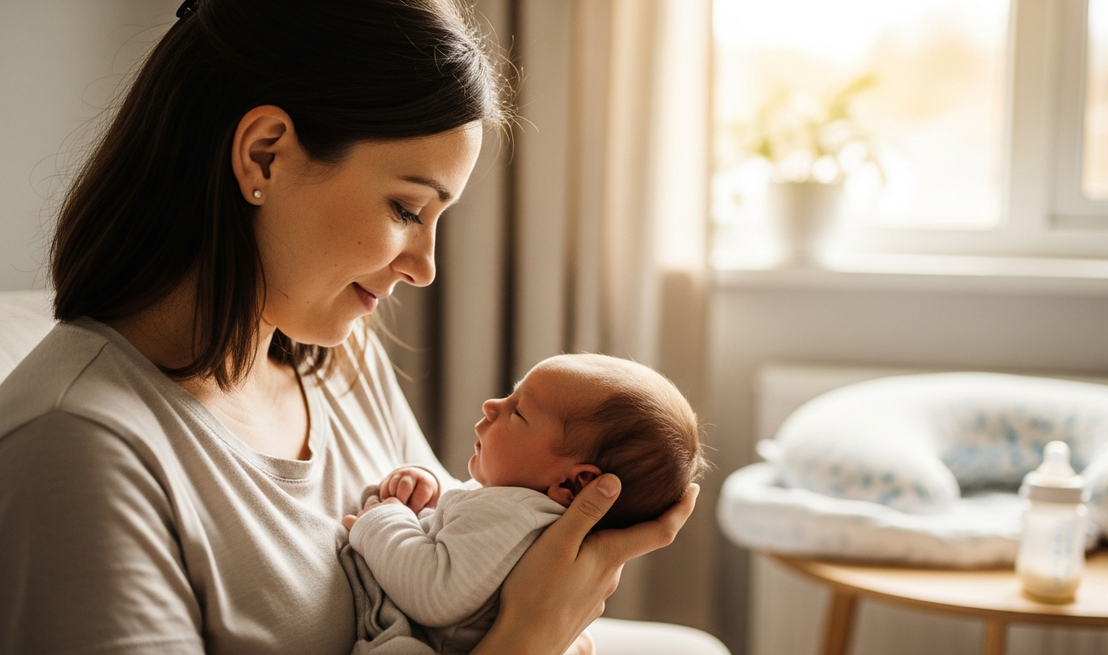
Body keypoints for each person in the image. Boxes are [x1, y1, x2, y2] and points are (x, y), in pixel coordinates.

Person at [0, 1, 708, 653]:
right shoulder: (76, 448)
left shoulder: (337, 359)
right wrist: (531, 636)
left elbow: (464, 576)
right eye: (406, 209)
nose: (425, 267)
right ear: (264, 154)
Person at [342, 354, 711, 655]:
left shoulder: (513, 513)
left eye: (518, 412)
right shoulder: (527, 512)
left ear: (573, 482)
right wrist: (433, 488)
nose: (491, 405)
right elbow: (463, 511)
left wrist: (384, 519)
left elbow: (434, 591)